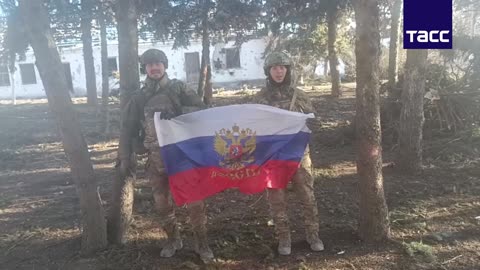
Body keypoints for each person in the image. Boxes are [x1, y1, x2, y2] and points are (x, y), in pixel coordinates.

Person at [116, 49, 213, 261]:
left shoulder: (178, 88)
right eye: (150, 64)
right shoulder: (139, 97)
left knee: (195, 203)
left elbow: (202, 111)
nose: (154, 67)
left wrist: (178, 115)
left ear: (165, 65)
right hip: (157, 158)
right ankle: (173, 240)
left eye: (158, 63)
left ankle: (202, 244)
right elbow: (127, 128)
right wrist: (125, 156)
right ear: (145, 69)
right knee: (162, 204)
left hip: (183, 156)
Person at [250, 51, 324, 255]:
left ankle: (313, 235)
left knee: (307, 196)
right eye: (274, 68)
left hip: (299, 155)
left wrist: (311, 122)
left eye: (282, 67)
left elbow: (315, 122)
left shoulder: (299, 96)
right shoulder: (259, 98)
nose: (279, 71)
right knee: (277, 200)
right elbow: (252, 127)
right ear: (268, 71)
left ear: (288, 70)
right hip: (273, 158)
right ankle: (284, 238)